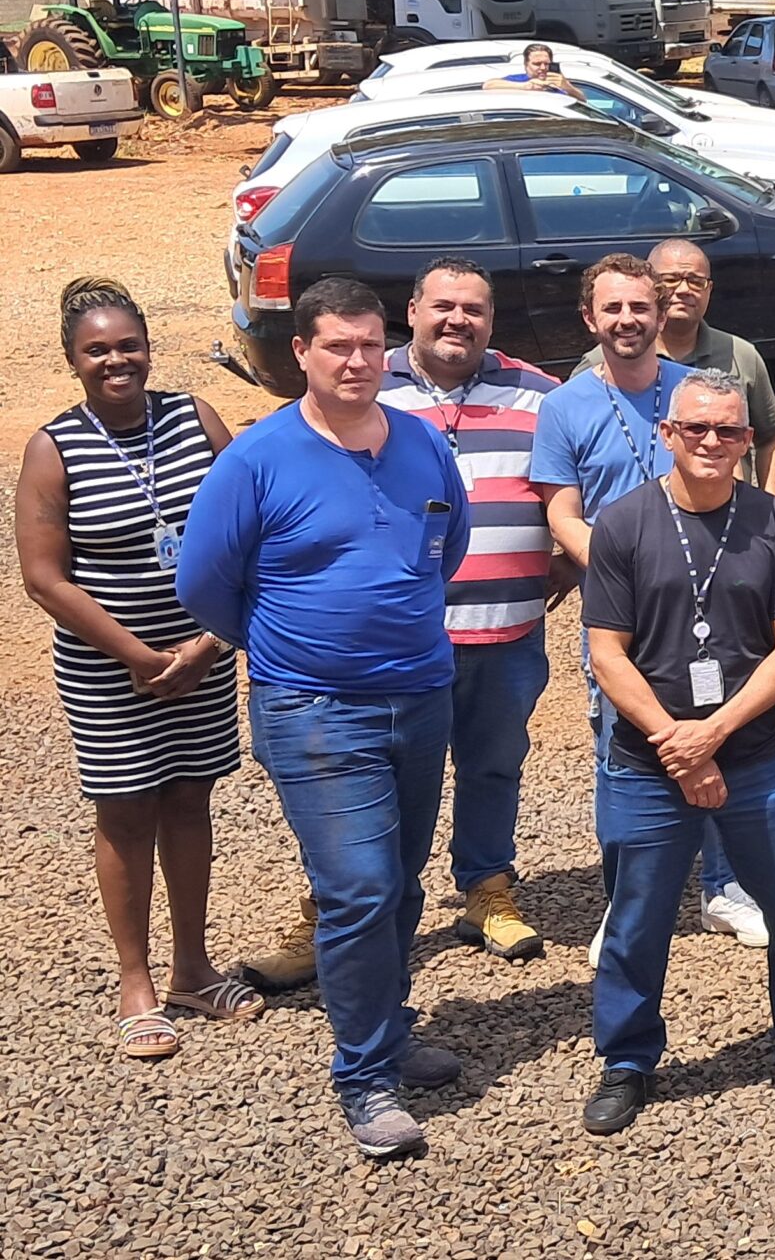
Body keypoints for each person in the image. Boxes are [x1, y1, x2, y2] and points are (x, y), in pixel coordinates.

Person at [176, 278, 471, 1159]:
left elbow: (446, 548)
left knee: (403, 882)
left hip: (420, 695)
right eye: (337, 346)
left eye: (370, 344)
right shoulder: (258, 459)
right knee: (360, 888)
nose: (356, 361)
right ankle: (364, 1077)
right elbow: (204, 584)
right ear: (300, 352)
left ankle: (389, 1025)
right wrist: (291, 645)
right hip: (314, 708)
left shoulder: (421, 441)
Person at [577, 370, 775, 1132]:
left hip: (759, 756)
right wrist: (679, 743)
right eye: (697, 428)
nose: (712, 441)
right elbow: (607, 654)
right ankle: (626, 1060)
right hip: (649, 764)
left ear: (746, 441)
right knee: (636, 918)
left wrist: (714, 733)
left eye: (729, 430)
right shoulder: (623, 524)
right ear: (667, 434)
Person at [18, 278, 254, 1060]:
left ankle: (193, 968)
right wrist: (141, 657)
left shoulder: (196, 418)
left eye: (128, 345)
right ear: (73, 360)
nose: (116, 360)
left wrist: (207, 644)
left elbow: (251, 527)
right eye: (97, 350)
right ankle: (136, 982)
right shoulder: (54, 448)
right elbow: (44, 578)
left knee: (189, 801)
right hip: (109, 672)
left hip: (202, 656)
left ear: (149, 348)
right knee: (125, 814)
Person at [534, 256, 764, 953]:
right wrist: (624, 573)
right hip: (624, 616)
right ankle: (629, 902)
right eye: (613, 308)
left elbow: (734, 480)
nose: (628, 320)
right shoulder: (564, 406)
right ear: (590, 319)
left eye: (640, 307)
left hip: (713, 607)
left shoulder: (695, 394)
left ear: (661, 314)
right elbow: (562, 513)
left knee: (723, 739)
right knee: (624, 757)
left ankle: (724, 887)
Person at [381, 259, 561, 963]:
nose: (458, 320)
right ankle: (359, 905)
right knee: (388, 773)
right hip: (401, 637)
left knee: (494, 763)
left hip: (506, 628)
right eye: (443, 306)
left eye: (474, 309)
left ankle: (487, 889)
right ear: (413, 310)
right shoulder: (370, 388)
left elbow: (578, 489)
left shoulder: (539, 395)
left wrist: (572, 566)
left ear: (491, 320)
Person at [578, 240, 775, 495]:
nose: (684, 289)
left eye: (696, 281)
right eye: (671, 279)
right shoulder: (598, 364)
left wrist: (770, 508)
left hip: (723, 512)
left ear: (709, 289)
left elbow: (770, 437)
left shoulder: (741, 356)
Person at [481, 42, 584, 99]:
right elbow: (488, 85)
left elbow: (582, 100)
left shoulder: (557, 83)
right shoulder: (520, 80)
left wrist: (567, 87)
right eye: (537, 64)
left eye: (546, 64)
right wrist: (525, 86)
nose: (543, 68)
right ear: (526, 65)